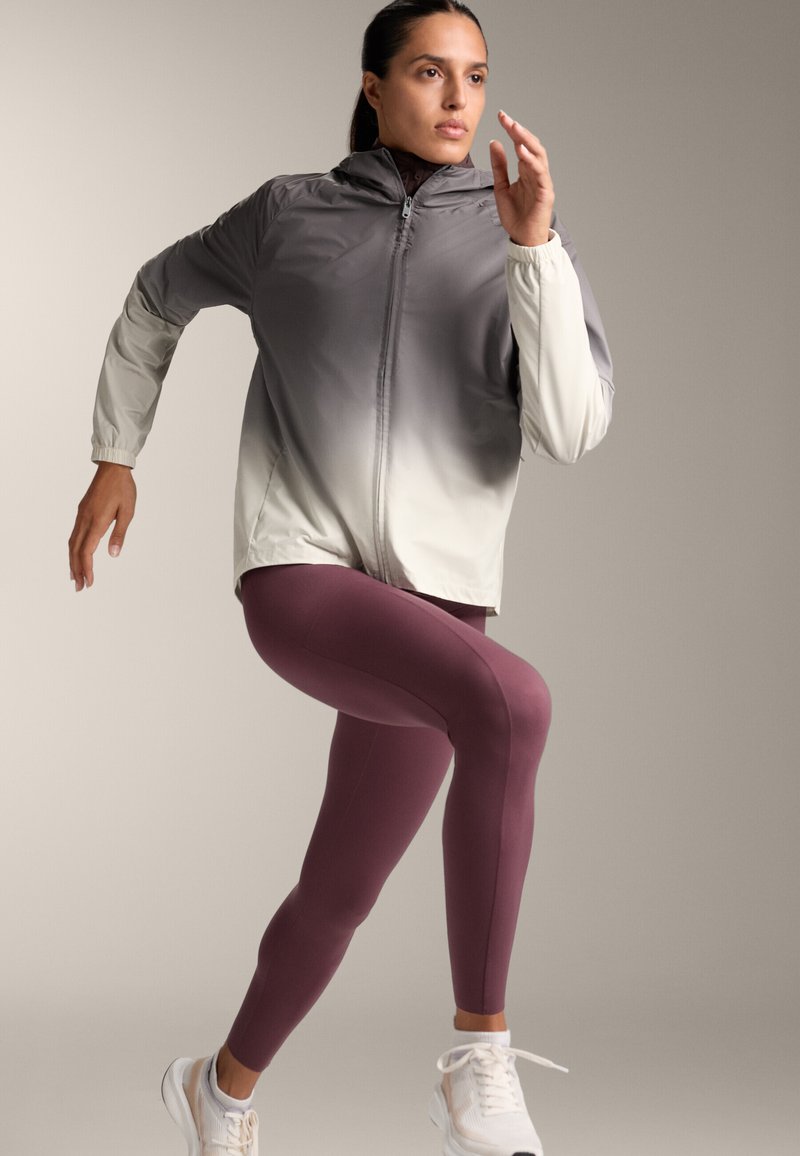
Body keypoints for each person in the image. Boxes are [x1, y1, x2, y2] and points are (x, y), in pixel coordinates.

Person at [67, 1, 615, 1153]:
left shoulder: (519, 234)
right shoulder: (287, 215)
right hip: (301, 574)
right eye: (428, 71)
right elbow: (158, 294)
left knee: (339, 890)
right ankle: (477, 1055)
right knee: (514, 703)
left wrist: (532, 248)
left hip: (438, 609)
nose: (457, 98)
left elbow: (570, 430)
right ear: (373, 85)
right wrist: (116, 452)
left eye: (475, 76)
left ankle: (218, 1089)